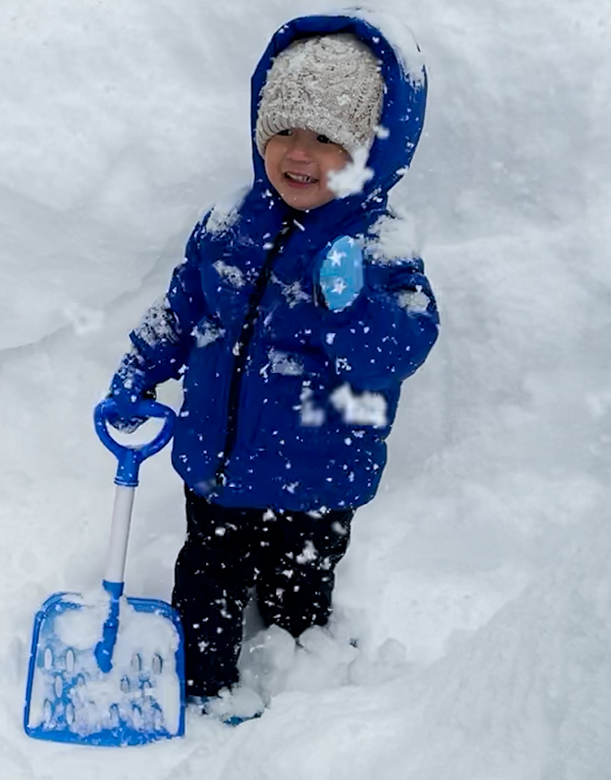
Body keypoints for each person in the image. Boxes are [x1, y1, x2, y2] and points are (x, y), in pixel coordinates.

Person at [103, 10, 438, 718]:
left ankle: (298, 696)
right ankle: (201, 693)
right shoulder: (230, 223)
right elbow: (183, 307)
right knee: (207, 581)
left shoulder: (380, 245)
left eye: (327, 138)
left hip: (318, 475)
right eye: (283, 128)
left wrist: (351, 310)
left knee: (297, 593)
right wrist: (139, 369)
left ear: (373, 148)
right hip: (219, 466)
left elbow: (398, 353)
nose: (298, 154)